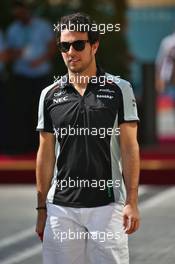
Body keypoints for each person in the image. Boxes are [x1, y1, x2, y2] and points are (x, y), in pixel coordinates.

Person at [36, 12, 140, 264]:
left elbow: (129, 147)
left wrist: (132, 201)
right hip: (61, 208)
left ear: (94, 45)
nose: (71, 51)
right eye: (64, 45)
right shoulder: (49, 94)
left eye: (78, 44)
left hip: (107, 206)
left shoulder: (119, 89)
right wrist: (41, 210)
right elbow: (45, 152)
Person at [6, 0, 56, 153]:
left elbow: (53, 46)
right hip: (22, 75)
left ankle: (43, 148)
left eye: (21, 12)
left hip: (41, 75)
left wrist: (40, 60)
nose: (19, 15)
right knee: (22, 111)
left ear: (27, 10)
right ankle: (23, 147)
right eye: (16, 13)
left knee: (42, 112)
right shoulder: (13, 29)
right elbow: (8, 52)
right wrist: (17, 53)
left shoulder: (42, 26)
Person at [156, 31, 175, 99]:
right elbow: (160, 63)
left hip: (168, 84)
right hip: (168, 84)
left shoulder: (167, 42)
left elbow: (159, 63)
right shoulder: (168, 42)